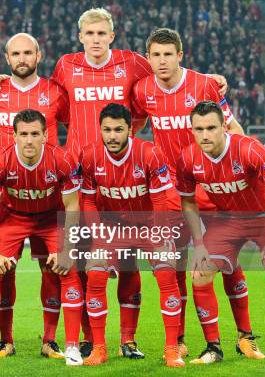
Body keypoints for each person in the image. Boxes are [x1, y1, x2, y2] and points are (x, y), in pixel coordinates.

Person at [0, 8, 229, 358]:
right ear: (80, 36)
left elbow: (168, 75)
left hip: (130, 173)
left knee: (146, 264)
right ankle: (87, 338)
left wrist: (208, 79)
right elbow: (54, 102)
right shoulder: (66, 66)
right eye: (90, 34)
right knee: (84, 264)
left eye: (102, 34)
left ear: (111, 36)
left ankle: (139, 340)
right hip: (81, 175)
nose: (96, 39)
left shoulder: (132, 63)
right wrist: (0, 79)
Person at [131, 28, 248, 357]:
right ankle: (181, 341)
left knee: (226, 263)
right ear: (148, 58)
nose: (162, 60)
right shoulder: (142, 91)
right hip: (170, 193)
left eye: (168, 54)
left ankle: (245, 335)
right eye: (156, 55)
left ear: (180, 55)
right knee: (175, 267)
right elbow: (132, 127)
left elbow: (233, 130)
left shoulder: (204, 84)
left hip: (211, 190)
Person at [0, 32, 69, 359]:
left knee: (55, 269)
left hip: (50, 198)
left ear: (39, 55)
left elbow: (78, 122)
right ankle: (5, 340)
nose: (22, 58)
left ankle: (51, 340)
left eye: (28, 52)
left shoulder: (56, 92)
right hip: (9, 200)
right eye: (16, 53)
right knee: (2, 269)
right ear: (7, 57)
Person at [177, 100, 265, 367]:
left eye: (211, 128)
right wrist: (199, 244)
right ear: (192, 130)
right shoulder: (188, 158)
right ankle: (213, 348)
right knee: (200, 271)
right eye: (199, 129)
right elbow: (187, 201)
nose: (205, 135)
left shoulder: (248, 148)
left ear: (223, 128)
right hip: (228, 219)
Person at [0, 109, 84, 366]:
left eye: (35, 134)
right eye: (23, 134)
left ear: (46, 135)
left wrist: (68, 249)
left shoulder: (63, 160)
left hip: (50, 218)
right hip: (13, 217)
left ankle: (71, 346)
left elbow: (72, 207)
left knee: (68, 270)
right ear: (13, 136)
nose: (29, 140)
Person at [79, 104, 183, 367]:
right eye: (107, 130)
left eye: (118, 130)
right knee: (95, 273)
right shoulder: (90, 156)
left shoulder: (149, 154)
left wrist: (160, 234)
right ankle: (99, 348)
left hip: (149, 225)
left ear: (130, 130)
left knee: (166, 274)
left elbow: (161, 199)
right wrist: (97, 233)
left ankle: (172, 349)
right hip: (112, 227)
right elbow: (88, 202)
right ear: (100, 130)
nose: (112, 136)